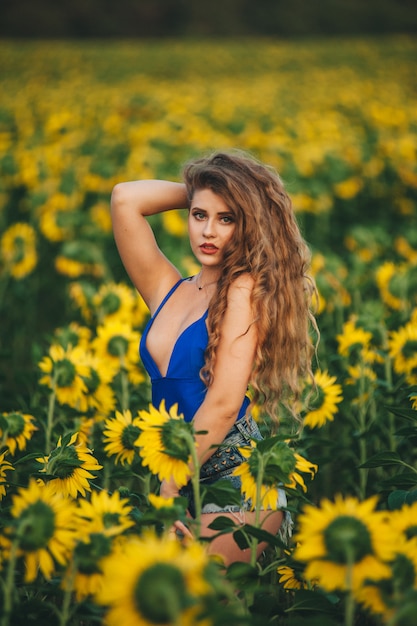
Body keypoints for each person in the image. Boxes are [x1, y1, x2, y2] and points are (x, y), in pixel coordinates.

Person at [110, 150, 317, 565]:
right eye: (199, 215)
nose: (209, 231)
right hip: (181, 471)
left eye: (227, 219)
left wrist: (171, 484)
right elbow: (124, 199)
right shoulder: (168, 288)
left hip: (235, 478)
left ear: (247, 223)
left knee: (202, 605)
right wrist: (211, 188)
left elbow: (222, 406)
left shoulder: (242, 290)